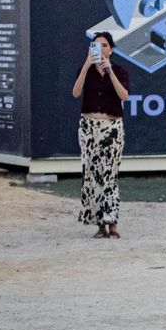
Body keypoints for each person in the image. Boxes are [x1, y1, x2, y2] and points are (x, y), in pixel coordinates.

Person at [70, 31, 130, 238]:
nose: (101, 49)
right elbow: (76, 93)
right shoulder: (85, 69)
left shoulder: (120, 71)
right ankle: (99, 224)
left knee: (109, 174)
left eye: (104, 45)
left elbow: (124, 95)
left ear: (110, 49)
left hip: (112, 127)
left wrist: (110, 72)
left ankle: (112, 222)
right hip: (89, 127)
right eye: (96, 45)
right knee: (92, 174)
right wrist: (87, 66)